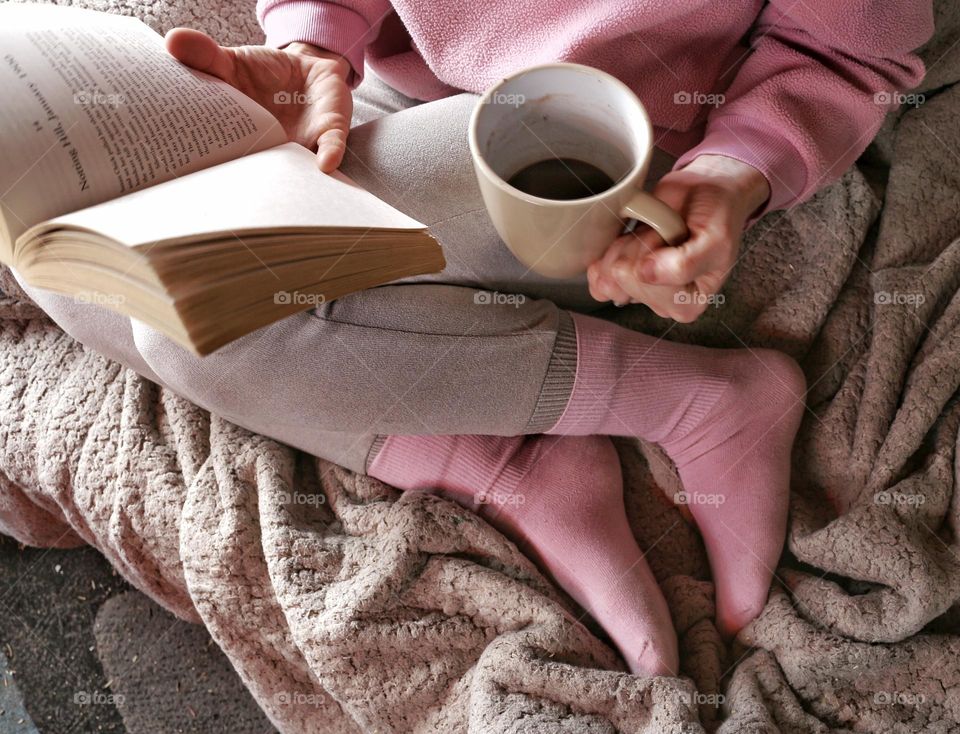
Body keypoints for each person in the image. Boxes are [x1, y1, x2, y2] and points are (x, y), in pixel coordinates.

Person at [18, 0, 933, 677]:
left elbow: (846, 51)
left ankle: (704, 401)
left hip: (590, 157)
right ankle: (508, 459)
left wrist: (738, 172)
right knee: (58, 255)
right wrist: (310, 43)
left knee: (198, 330)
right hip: (374, 110)